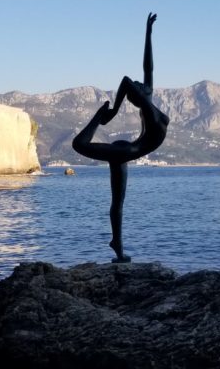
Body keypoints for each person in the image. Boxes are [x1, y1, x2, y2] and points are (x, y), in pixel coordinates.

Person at [72, 13, 170, 262]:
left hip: (127, 152)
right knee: (78, 145)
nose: (140, 83)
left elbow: (147, 67)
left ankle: (118, 244)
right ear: (138, 96)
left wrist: (148, 32)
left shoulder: (148, 105)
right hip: (126, 152)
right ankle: (97, 116)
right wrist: (110, 111)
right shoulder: (149, 111)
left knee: (118, 202)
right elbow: (128, 82)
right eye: (140, 87)